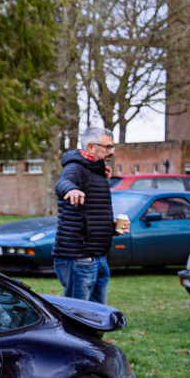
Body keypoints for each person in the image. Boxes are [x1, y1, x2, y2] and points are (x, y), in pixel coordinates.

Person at [53, 126, 126, 304]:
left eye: (112, 146)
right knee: (78, 315)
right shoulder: (76, 167)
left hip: (98, 258)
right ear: (91, 147)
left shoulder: (97, 172)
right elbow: (63, 182)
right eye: (107, 147)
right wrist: (71, 189)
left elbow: (91, 214)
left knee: (97, 316)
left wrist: (113, 227)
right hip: (79, 258)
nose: (112, 151)